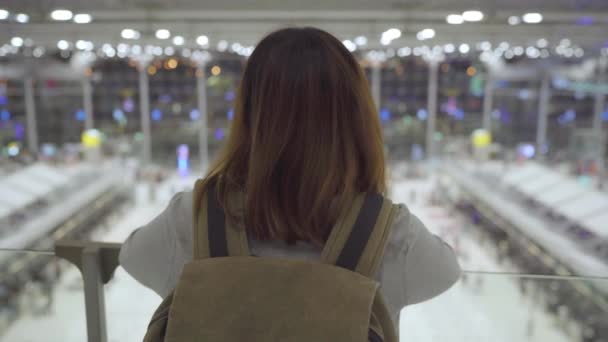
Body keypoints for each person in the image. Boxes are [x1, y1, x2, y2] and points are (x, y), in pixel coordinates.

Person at [120, 27, 460, 329]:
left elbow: (132, 255)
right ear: (356, 118)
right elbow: (446, 272)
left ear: (251, 114)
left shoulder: (192, 218)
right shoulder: (390, 234)